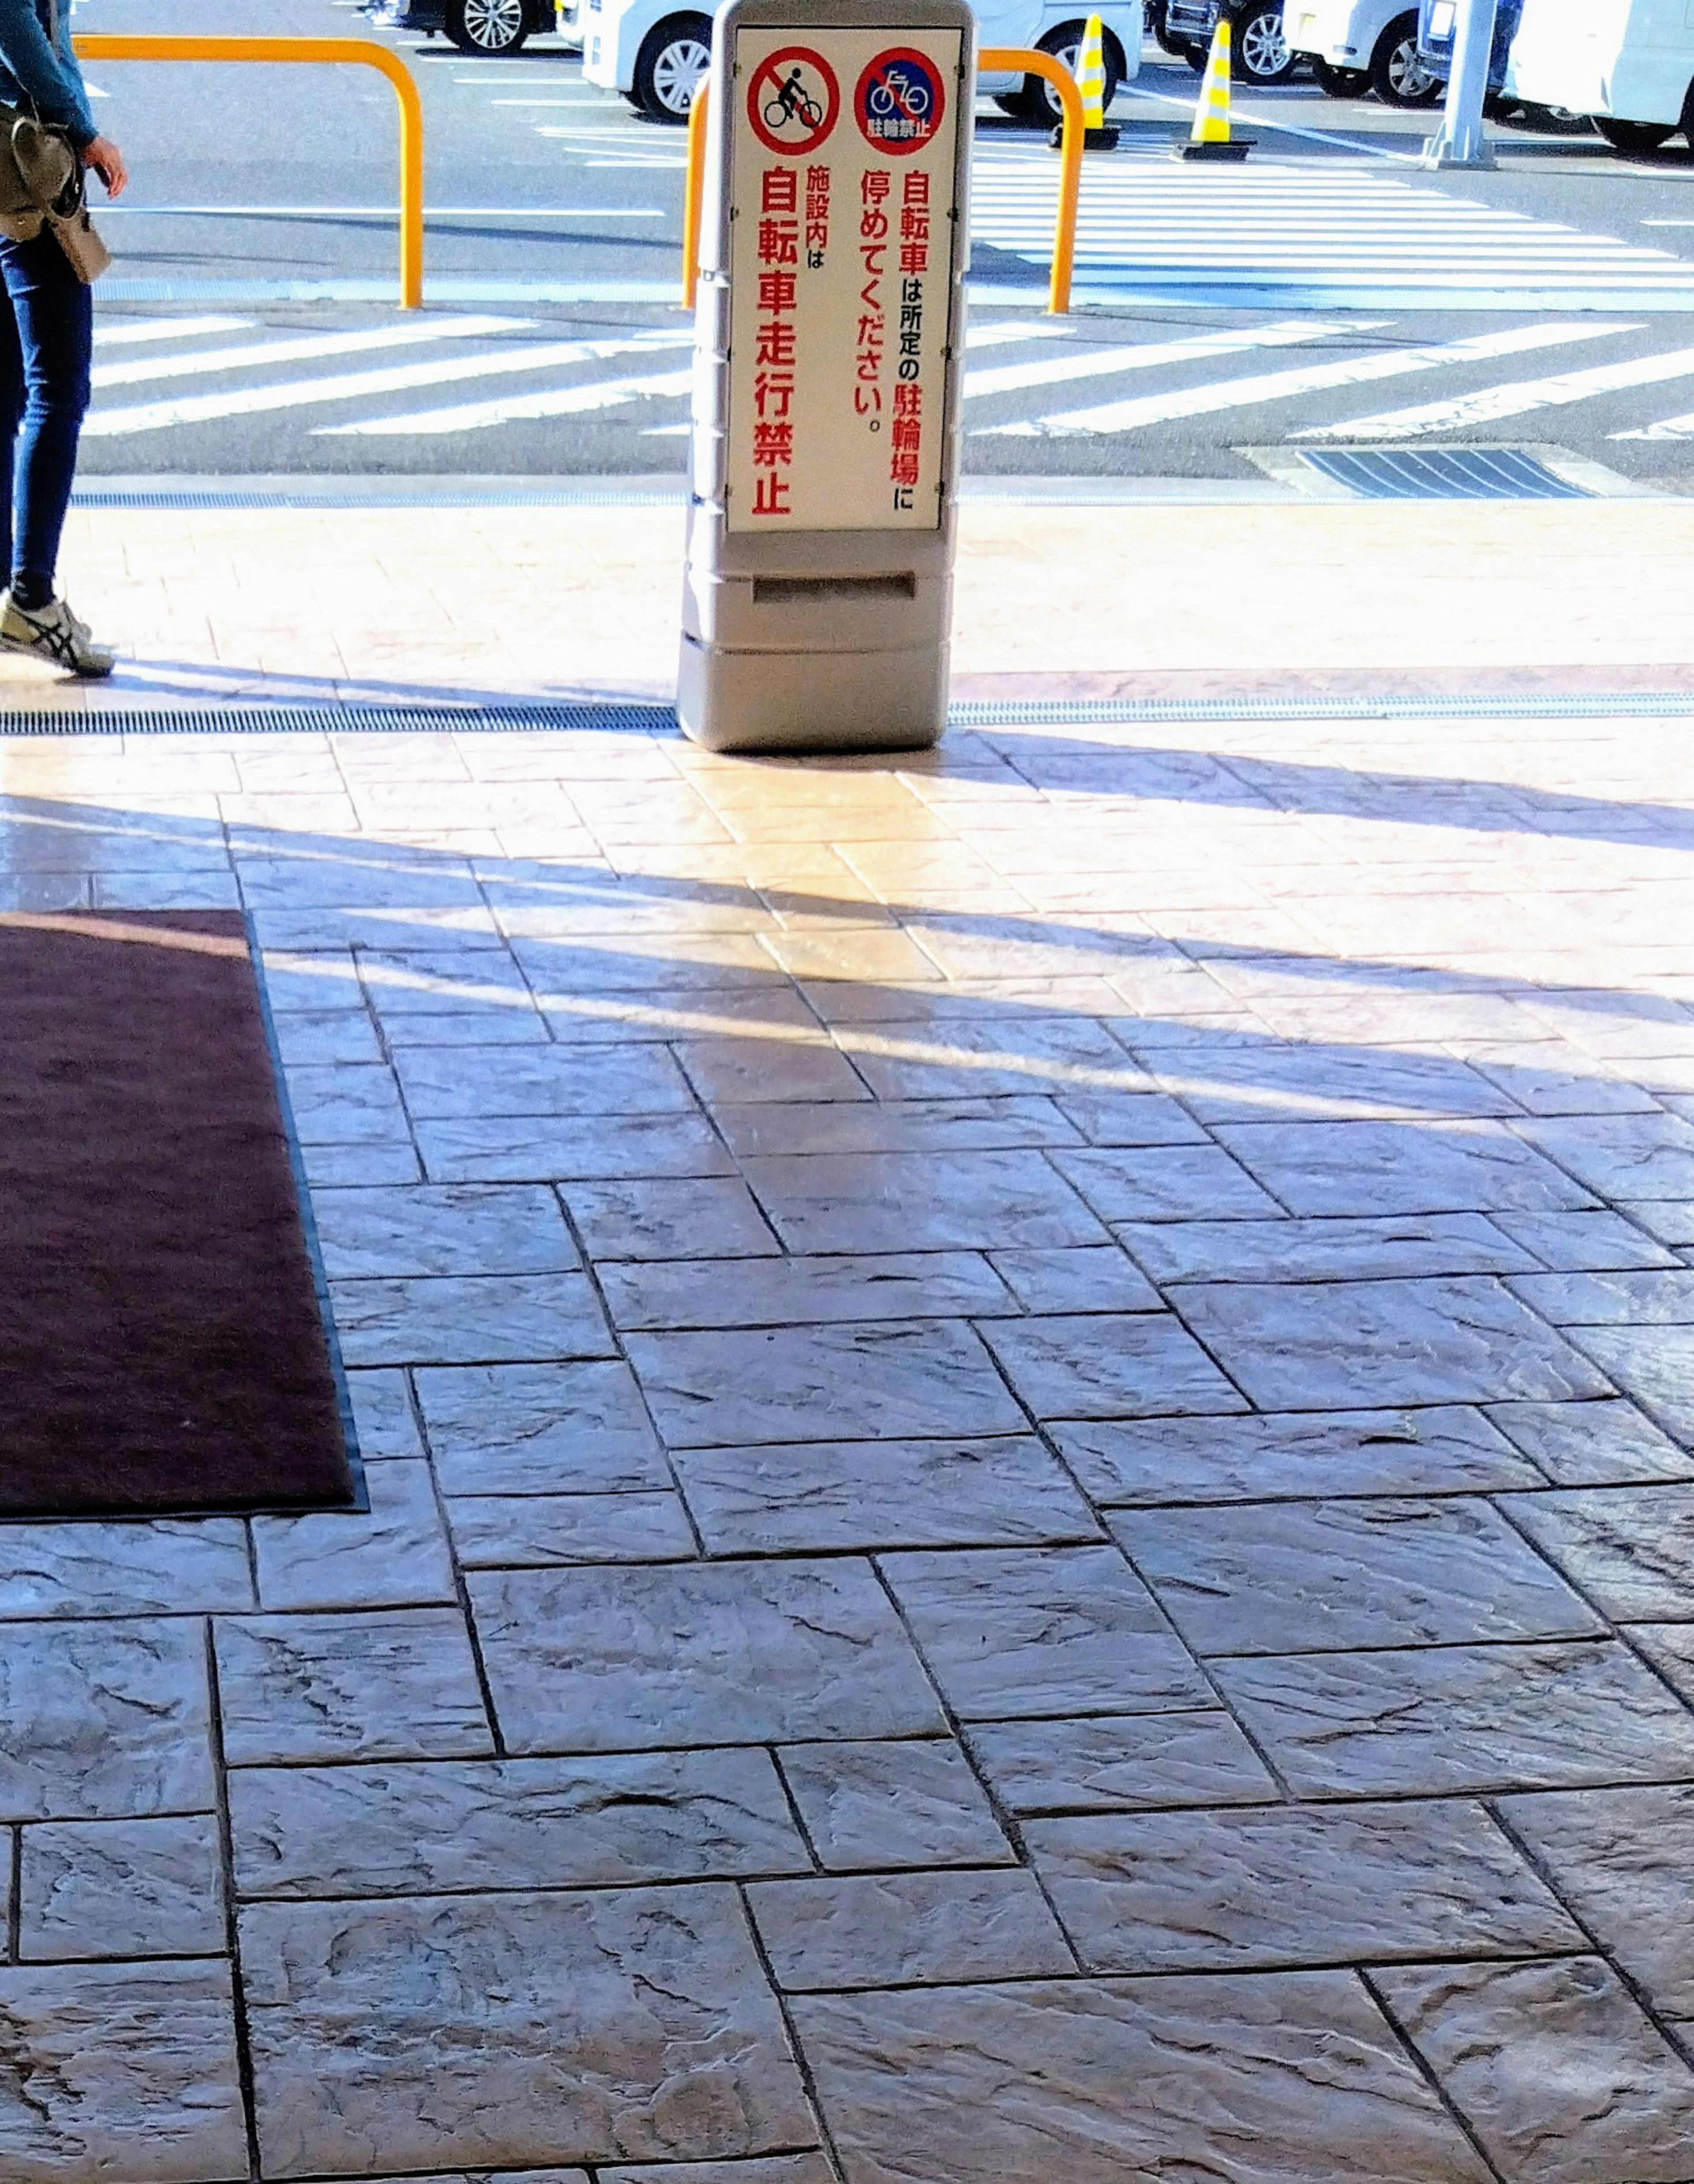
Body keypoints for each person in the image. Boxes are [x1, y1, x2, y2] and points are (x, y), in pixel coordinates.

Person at [0, 0, 126, 677]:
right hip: (26, 162)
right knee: (57, 391)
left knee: (7, 393)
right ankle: (30, 598)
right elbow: (13, 17)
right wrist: (81, 129)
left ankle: (11, 594)